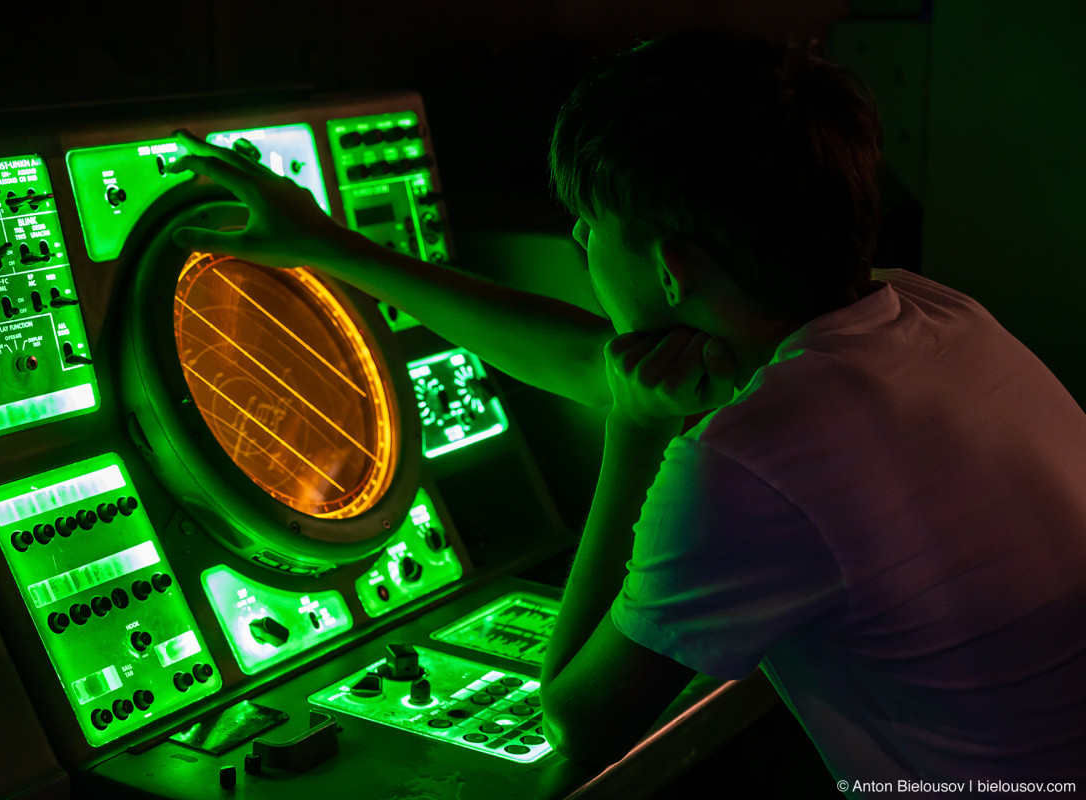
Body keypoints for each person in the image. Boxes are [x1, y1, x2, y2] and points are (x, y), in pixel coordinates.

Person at [168, 28, 1086, 795]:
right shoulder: (922, 311)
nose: (575, 239)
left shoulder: (753, 462)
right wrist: (327, 247)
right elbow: (591, 363)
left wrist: (638, 432)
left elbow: (577, 720)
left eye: (590, 224)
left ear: (671, 269)